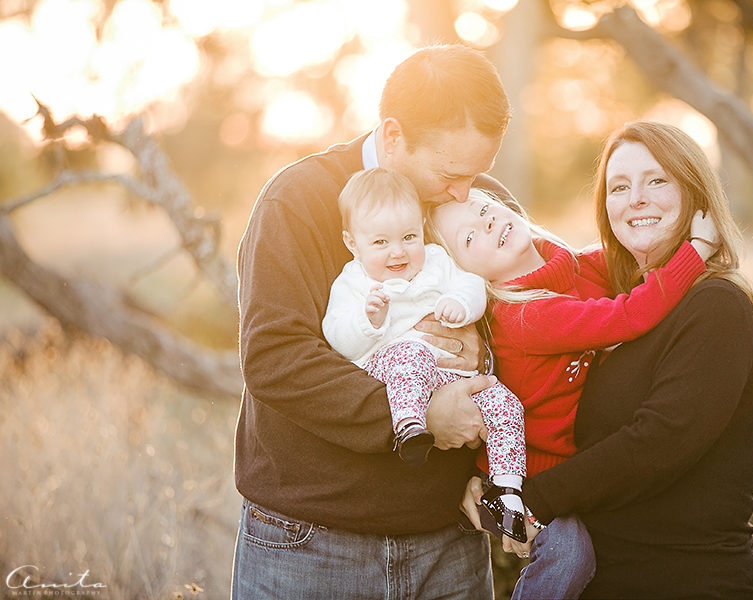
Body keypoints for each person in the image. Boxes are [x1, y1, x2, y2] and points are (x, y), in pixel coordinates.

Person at [232, 44, 514, 599]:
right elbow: (274, 358)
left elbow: (534, 324)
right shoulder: (297, 202)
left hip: (448, 545)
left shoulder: (482, 208)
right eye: (450, 172)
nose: (467, 193)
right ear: (392, 136)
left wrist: (483, 355)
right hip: (311, 544)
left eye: (480, 172)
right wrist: (420, 412)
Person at [463, 120, 753, 599]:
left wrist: (519, 504)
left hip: (687, 583)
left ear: (696, 194)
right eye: (619, 186)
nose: (636, 199)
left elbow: (655, 445)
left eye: (656, 181)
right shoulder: (619, 295)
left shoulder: (716, 307)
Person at [428, 184, 718, 599]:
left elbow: (633, 259)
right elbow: (630, 316)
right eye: (469, 238)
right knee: (571, 553)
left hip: (571, 466)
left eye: (483, 207)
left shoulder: (577, 266)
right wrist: (698, 249)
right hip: (516, 475)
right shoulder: (526, 316)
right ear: (464, 275)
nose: (485, 221)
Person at [321, 167, 528, 537]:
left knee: (504, 402)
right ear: (353, 243)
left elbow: (472, 284)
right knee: (409, 357)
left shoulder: (436, 261)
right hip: (394, 368)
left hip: (450, 373)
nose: (398, 251)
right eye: (380, 243)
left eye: (409, 236)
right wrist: (370, 320)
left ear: (421, 228)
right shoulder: (354, 283)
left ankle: (508, 490)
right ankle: (410, 427)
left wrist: (459, 304)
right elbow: (337, 338)